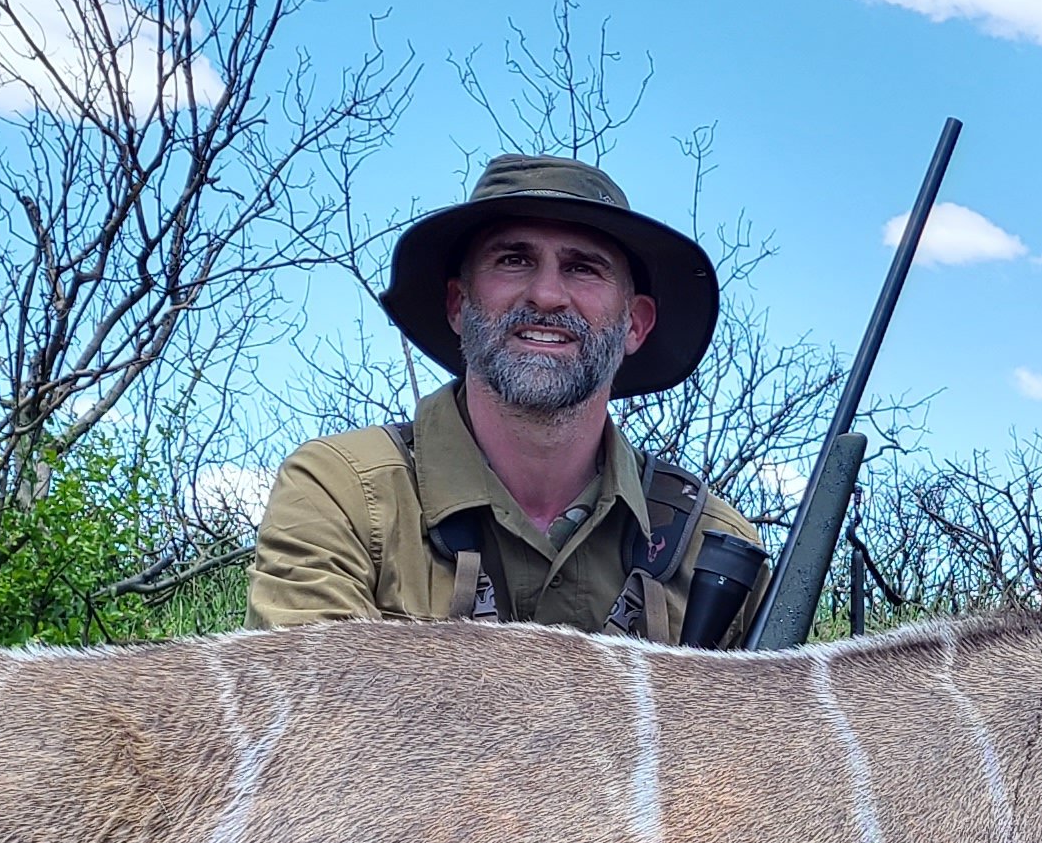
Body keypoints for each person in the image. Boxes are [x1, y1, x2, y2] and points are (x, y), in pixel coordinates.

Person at [247, 155, 771, 642]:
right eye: (514, 259)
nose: (546, 294)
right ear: (458, 304)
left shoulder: (714, 546)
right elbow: (313, 727)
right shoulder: (342, 494)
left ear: (634, 323)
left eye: (583, 267)